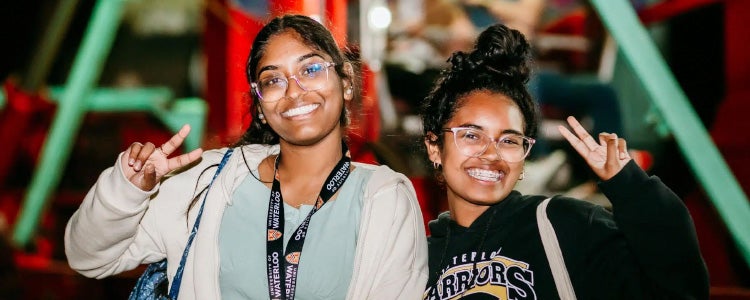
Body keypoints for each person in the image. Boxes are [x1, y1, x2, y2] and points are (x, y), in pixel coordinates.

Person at [64, 14, 428, 299]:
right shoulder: (207, 182)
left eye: (311, 69)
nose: (294, 92)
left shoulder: (385, 197)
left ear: (346, 82)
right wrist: (128, 190)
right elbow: (88, 257)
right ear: (259, 105)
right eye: (273, 80)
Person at [420, 23, 708, 299]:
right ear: (434, 146)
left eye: (509, 140)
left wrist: (632, 187)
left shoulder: (563, 226)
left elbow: (678, 289)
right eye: (471, 136)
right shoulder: (415, 259)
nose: (492, 154)